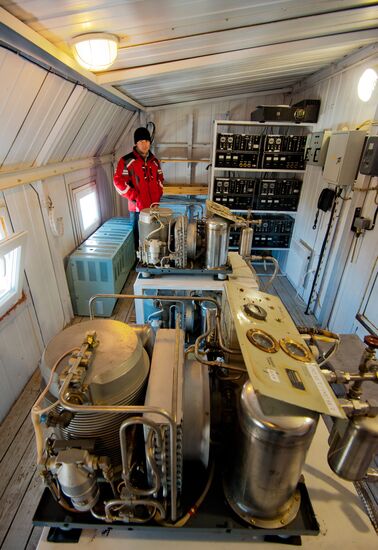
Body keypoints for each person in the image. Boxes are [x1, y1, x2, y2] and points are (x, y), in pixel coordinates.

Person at [113, 126, 164, 247]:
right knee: (138, 240)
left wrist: (157, 199)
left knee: (153, 236)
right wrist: (135, 197)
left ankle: (151, 261)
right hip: (137, 209)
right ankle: (137, 263)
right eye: (141, 141)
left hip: (154, 207)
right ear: (136, 143)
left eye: (147, 141)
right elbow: (118, 182)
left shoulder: (154, 161)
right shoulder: (126, 161)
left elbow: (160, 180)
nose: (145, 144)